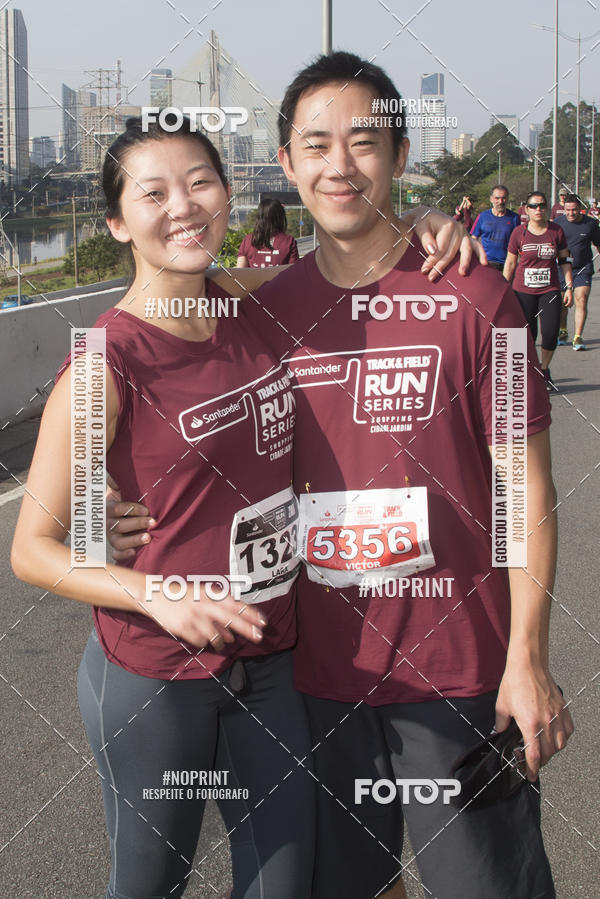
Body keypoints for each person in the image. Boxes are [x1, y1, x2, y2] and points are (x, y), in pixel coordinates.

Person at [111, 52, 573, 899]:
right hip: (314, 681)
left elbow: (527, 486)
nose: (339, 164)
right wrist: (96, 498)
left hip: (461, 675)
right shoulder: (260, 312)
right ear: (286, 164)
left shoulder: (478, 301)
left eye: (364, 142)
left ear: (400, 156)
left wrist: (529, 657)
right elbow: (146, 339)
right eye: (315, 145)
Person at [11, 115, 317, 899]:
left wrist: (420, 222)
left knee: (284, 883)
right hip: (155, 675)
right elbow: (33, 548)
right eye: (154, 193)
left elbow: (351, 265)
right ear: (117, 221)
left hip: (272, 658)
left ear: (227, 197)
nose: (183, 206)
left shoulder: (250, 303)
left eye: (201, 182)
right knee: (152, 883)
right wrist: (157, 591)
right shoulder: (105, 362)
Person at [503, 191, 573, 388]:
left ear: (546, 207)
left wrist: (568, 286)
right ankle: (529, 372)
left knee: (551, 333)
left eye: (542, 205)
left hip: (550, 289)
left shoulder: (556, 231)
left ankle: (544, 369)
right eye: (533, 206)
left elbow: (565, 260)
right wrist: (502, 289)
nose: (538, 209)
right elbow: (510, 263)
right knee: (527, 335)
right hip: (523, 291)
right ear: (527, 209)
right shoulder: (519, 233)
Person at [555, 193, 600, 350]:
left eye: (574, 210)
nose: (571, 213)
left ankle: (578, 337)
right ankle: (563, 330)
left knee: (581, 299)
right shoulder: (557, 223)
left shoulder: (591, 224)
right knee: (563, 303)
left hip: (583, 268)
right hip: (561, 269)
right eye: (567, 210)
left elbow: (598, 244)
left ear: (580, 209)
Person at [237, 197, 299, 268]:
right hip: (280, 279)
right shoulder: (289, 241)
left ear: (259, 217)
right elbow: (293, 273)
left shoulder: (248, 240)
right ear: (280, 217)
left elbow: (240, 271)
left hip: (253, 279)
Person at [471, 184, 520, 269]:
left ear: (507, 199)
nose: (500, 202)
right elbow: (473, 239)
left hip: (506, 265)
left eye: (503, 198)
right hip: (485, 263)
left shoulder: (514, 218)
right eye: (497, 198)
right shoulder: (482, 216)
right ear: (491, 199)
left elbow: (519, 242)